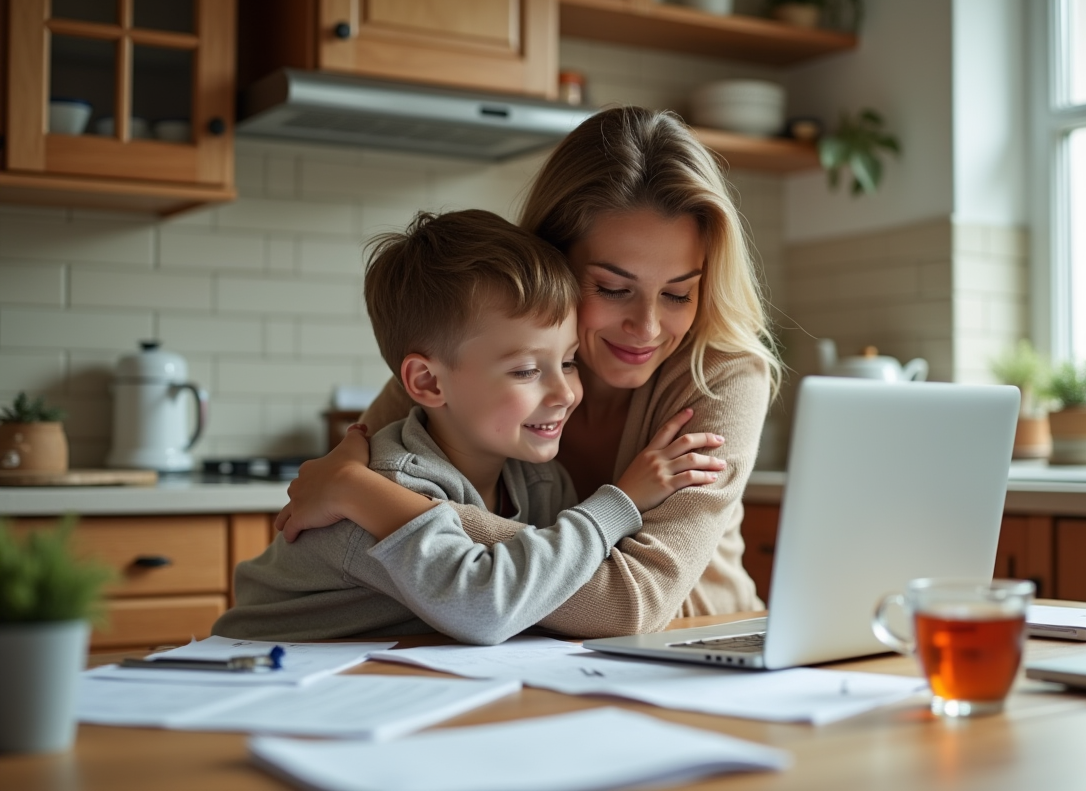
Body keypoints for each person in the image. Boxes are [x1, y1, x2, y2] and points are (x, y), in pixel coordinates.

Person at [274, 106, 784, 638]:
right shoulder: (473, 352)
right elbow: (323, 507)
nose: (648, 327)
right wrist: (368, 490)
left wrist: (378, 503)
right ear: (554, 261)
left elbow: (627, 606)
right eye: (613, 288)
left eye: (679, 293)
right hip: (540, 656)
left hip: (696, 641)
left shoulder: (721, 375)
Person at [213, 210, 724, 643]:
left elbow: (551, 590)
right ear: (429, 383)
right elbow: (485, 605)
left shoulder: (539, 481)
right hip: (262, 679)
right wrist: (620, 504)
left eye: (568, 362)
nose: (565, 393)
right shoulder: (383, 489)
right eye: (526, 370)